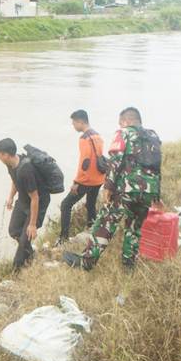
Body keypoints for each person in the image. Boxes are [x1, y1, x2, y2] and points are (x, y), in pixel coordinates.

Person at [64, 107, 162, 271]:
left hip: (127, 188)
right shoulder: (153, 136)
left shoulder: (123, 133)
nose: (119, 125)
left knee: (105, 222)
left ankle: (86, 262)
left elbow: (115, 161)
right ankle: (128, 265)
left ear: (126, 121)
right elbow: (157, 166)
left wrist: (108, 187)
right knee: (134, 228)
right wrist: (156, 195)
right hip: (149, 191)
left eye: (120, 122)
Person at [0, 138, 51, 272]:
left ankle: (16, 272)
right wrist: (11, 196)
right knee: (14, 231)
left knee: (24, 241)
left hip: (37, 203)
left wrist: (32, 225)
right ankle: (30, 254)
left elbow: (35, 198)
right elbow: (15, 180)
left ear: (6, 155)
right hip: (23, 200)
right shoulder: (10, 164)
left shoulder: (26, 170)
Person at [58, 110, 106, 245]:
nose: (73, 126)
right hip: (99, 178)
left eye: (74, 123)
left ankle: (63, 238)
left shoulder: (84, 138)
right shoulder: (98, 136)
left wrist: (76, 182)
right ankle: (92, 230)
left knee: (65, 205)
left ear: (81, 122)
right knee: (90, 204)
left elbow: (84, 163)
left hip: (87, 179)